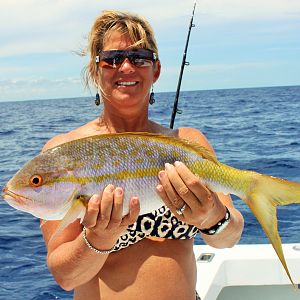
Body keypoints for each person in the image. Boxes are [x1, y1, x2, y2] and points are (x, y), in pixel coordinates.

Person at [41, 10, 244, 300]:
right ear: (96, 70)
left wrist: (212, 215)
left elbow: (229, 237)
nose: (125, 67)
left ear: (156, 70)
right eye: (112, 58)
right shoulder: (66, 153)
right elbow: (66, 275)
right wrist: (98, 238)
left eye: (139, 57)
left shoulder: (186, 143)